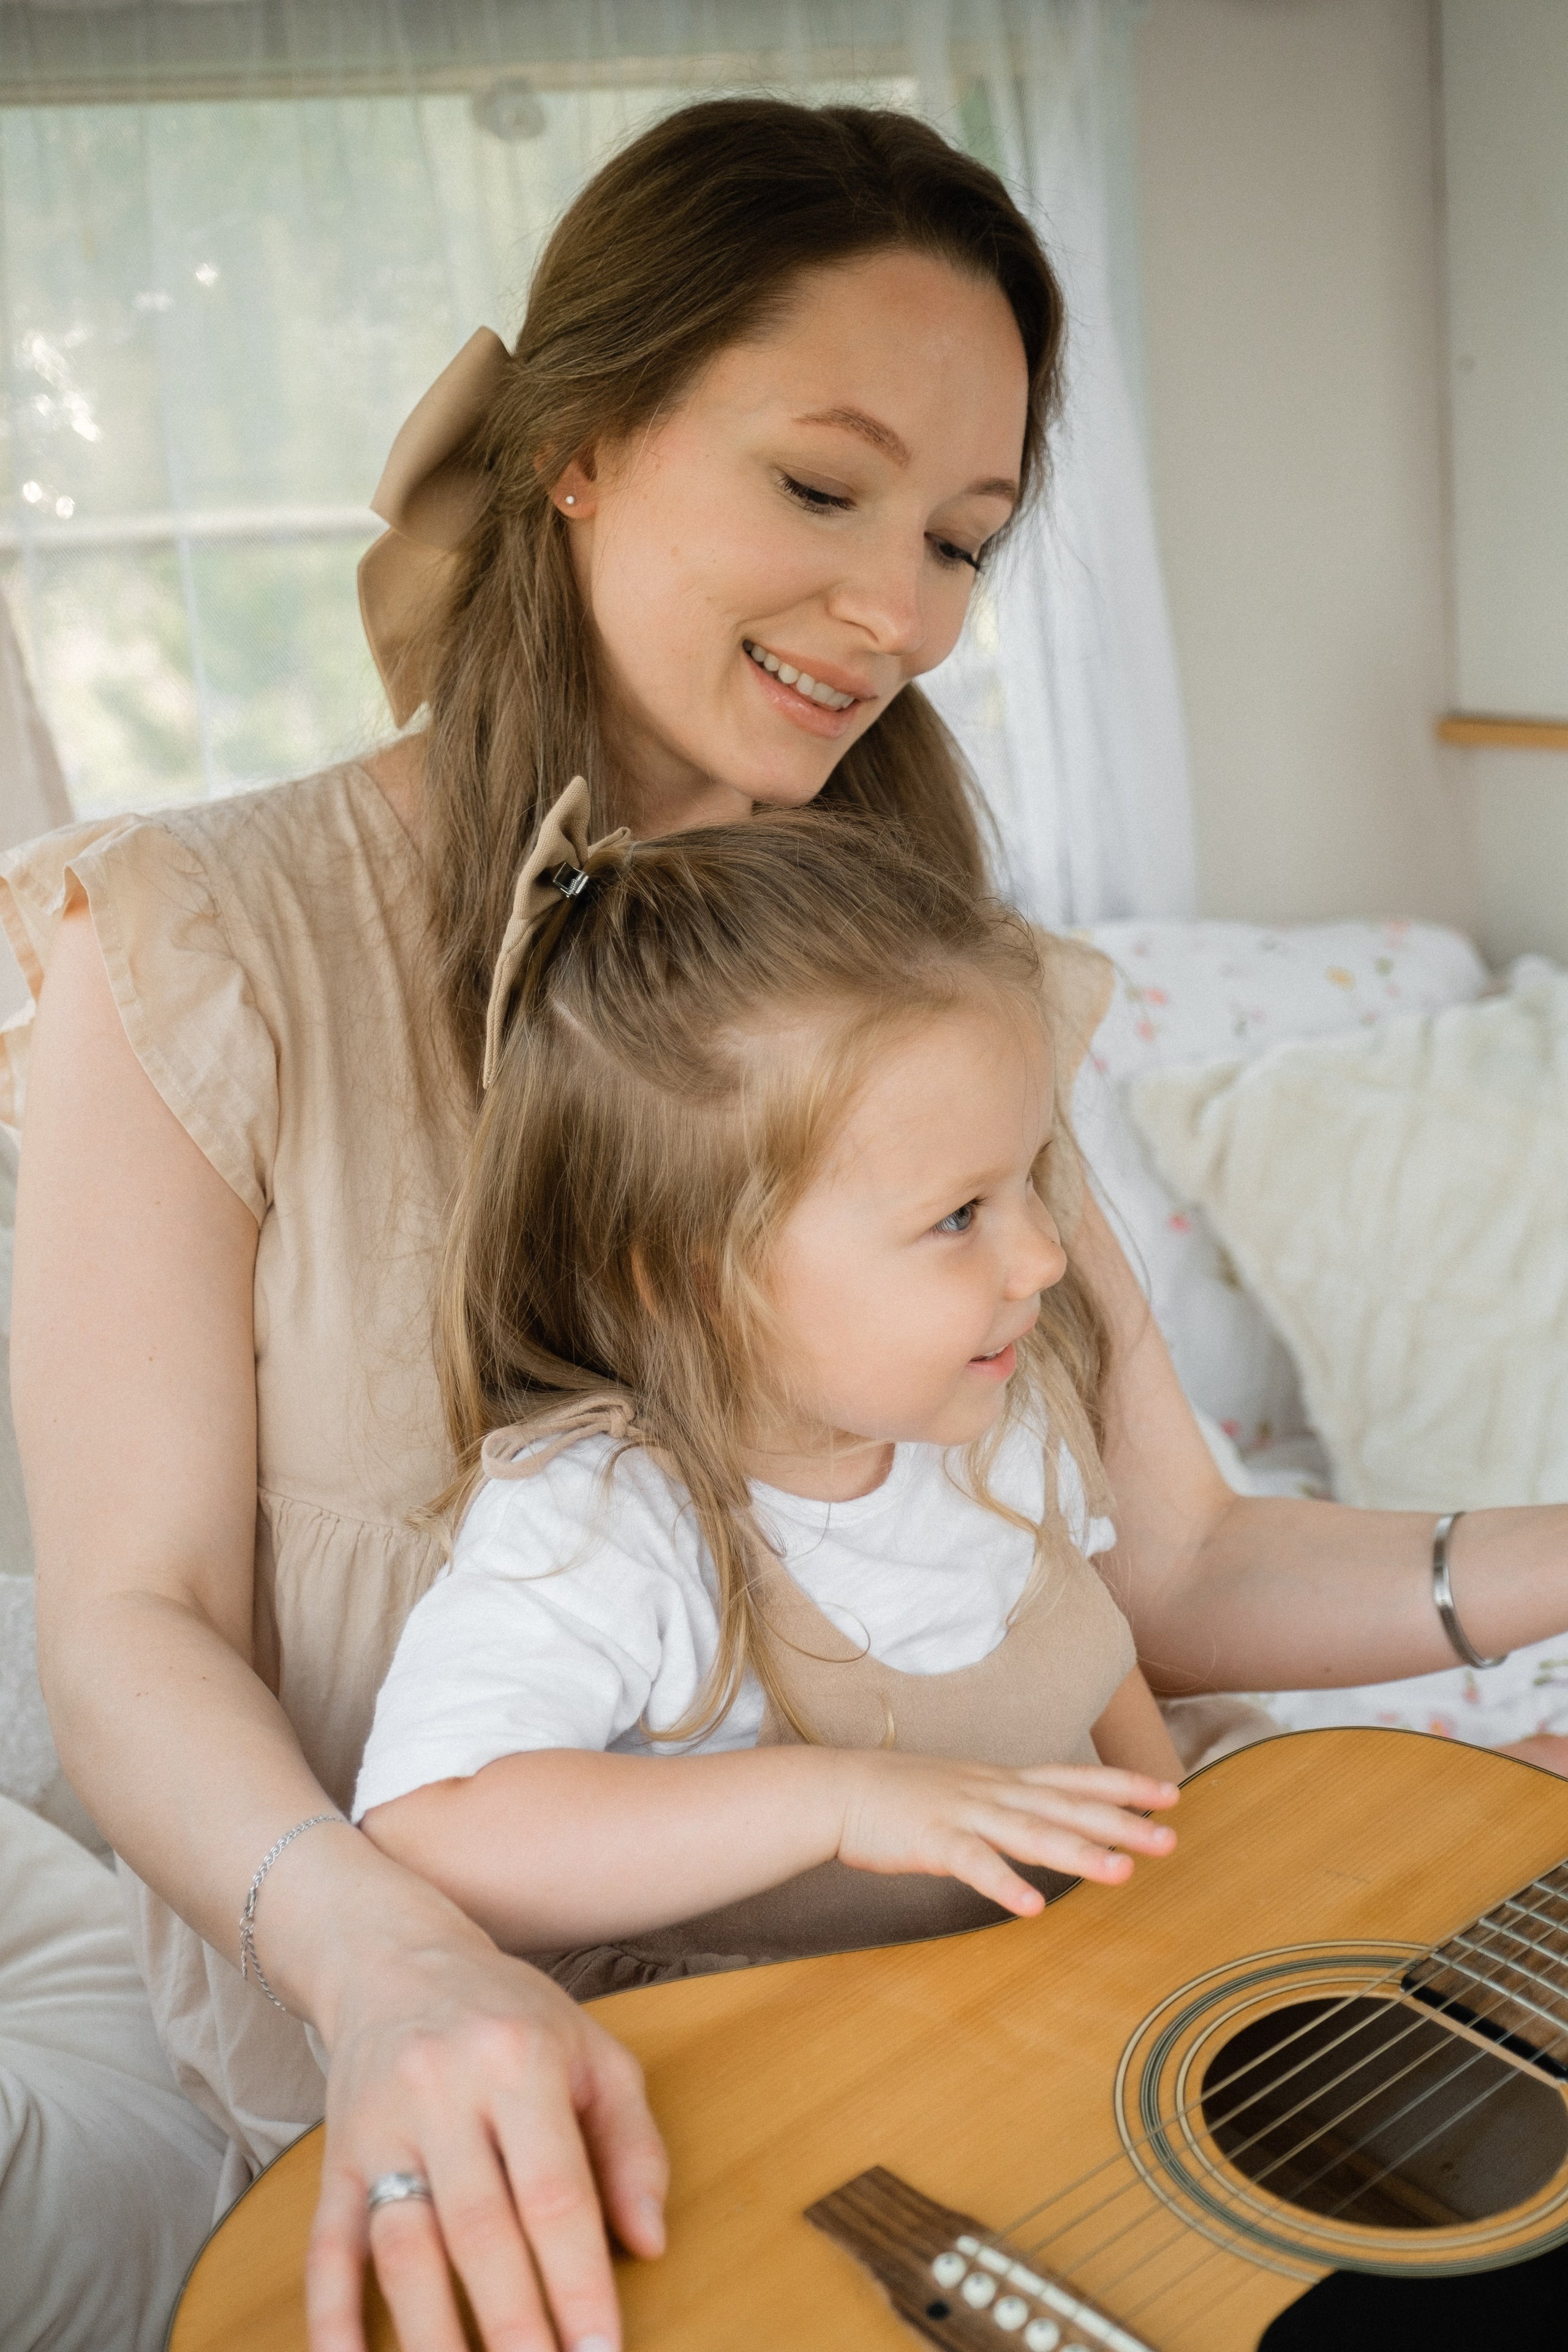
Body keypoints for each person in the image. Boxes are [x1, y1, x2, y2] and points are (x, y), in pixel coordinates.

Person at [4, 88, 1567, 2352]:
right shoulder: (198, 941)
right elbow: (130, 1626)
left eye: (963, 539)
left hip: (1046, 1984)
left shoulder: (913, 965)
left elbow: (1173, 1561)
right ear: (578, 447)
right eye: (824, 489)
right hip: (522, 2062)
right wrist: (383, 1950)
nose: (900, 613)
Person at [355, 802, 1186, 1983]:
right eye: (960, 1215)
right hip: (786, 2069)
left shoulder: (996, 1408)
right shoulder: (608, 1521)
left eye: (1031, 1179)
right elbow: (431, 1835)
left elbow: (1102, 1683)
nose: (1046, 1257)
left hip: (1052, 2009)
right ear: (696, 1281)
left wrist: (1189, 1875)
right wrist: (839, 1801)